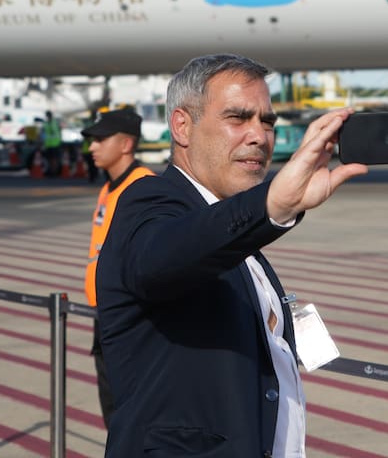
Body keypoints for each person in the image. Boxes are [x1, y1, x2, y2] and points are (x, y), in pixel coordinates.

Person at [94, 54, 368, 456]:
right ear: (182, 127)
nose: (259, 136)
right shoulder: (149, 200)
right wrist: (271, 203)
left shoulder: (232, 226)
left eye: (267, 121)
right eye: (238, 119)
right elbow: (161, 260)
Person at [80, 107, 154, 427]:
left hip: (131, 316)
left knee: (135, 411)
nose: (92, 147)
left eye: (99, 139)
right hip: (105, 312)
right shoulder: (108, 188)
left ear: (126, 144)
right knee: (113, 409)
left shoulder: (144, 187)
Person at [41, 110, 62, 177]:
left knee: (54, 159)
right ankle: (51, 171)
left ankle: (54, 172)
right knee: (49, 159)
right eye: (47, 116)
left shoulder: (55, 122)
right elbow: (44, 132)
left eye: (48, 115)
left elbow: (59, 131)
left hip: (55, 143)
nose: (48, 117)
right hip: (48, 144)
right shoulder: (46, 123)